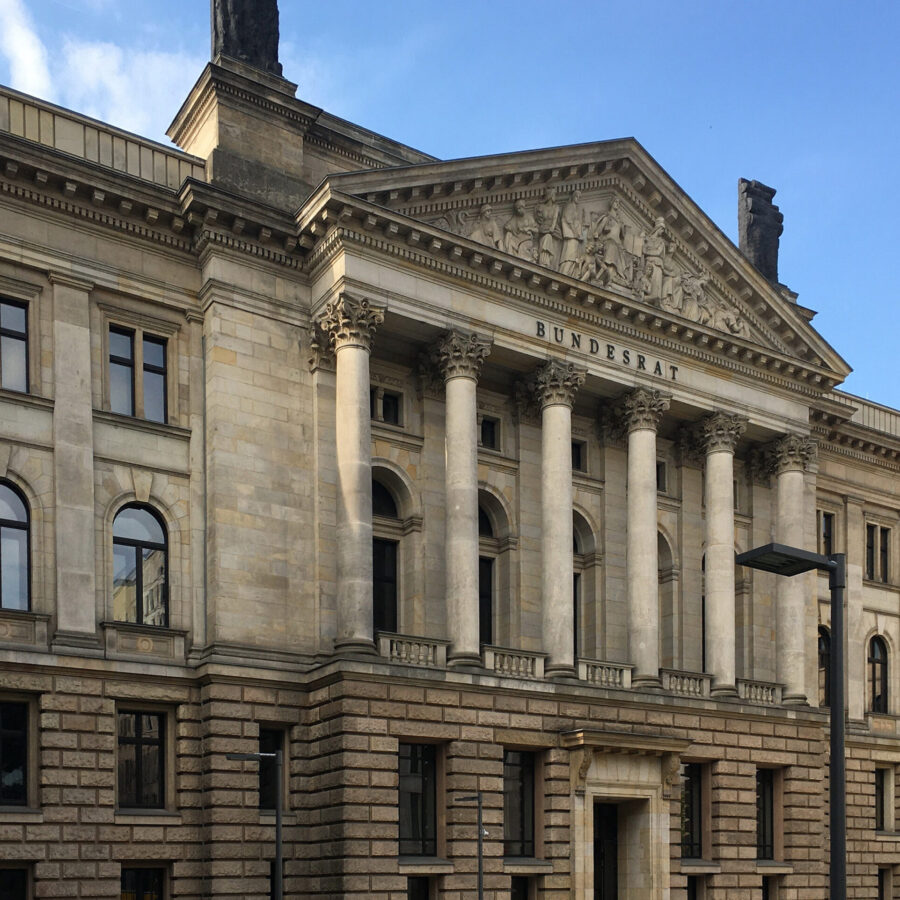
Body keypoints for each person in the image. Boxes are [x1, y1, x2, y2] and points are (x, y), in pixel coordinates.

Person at [559, 190, 586, 276]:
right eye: (576, 196)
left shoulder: (574, 208)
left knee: (573, 257)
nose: (578, 199)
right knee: (570, 257)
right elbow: (569, 221)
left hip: (575, 237)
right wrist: (576, 233)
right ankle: (565, 274)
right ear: (573, 197)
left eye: (579, 197)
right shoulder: (570, 206)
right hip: (572, 236)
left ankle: (569, 274)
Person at [535, 187, 561, 268]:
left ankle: (549, 264)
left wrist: (552, 228)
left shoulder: (556, 207)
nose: (555, 196)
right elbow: (539, 220)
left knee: (549, 238)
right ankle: (544, 261)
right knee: (546, 238)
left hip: (554, 231)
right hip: (543, 230)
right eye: (553, 194)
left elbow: (555, 219)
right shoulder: (541, 207)